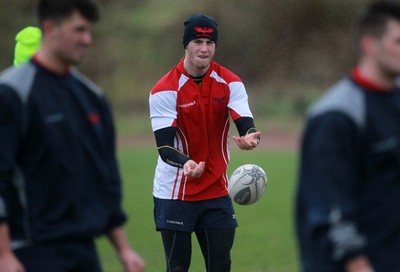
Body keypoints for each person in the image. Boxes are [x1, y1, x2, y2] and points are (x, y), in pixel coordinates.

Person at [0, 0, 145, 271]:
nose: (87, 40)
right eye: (79, 30)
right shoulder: (12, 93)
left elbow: (104, 177)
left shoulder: (92, 98)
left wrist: (123, 248)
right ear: (50, 28)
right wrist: (3, 254)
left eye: (89, 31)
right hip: (30, 251)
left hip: (83, 251)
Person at [149, 14, 261, 271]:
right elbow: (165, 147)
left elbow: (245, 121)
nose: (204, 48)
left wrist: (250, 136)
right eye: (197, 41)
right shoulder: (164, 89)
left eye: (209, 42)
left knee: (220, 266)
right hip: (175, 193)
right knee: (177, 268)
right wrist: (186, 163)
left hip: (216, 191)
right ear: (186, 44)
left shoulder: (230, 82)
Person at [295, 2, 400, 272]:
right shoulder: (336, 116)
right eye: (397, 41)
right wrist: (359, 265)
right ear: (369, 45)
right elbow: (332, 213)